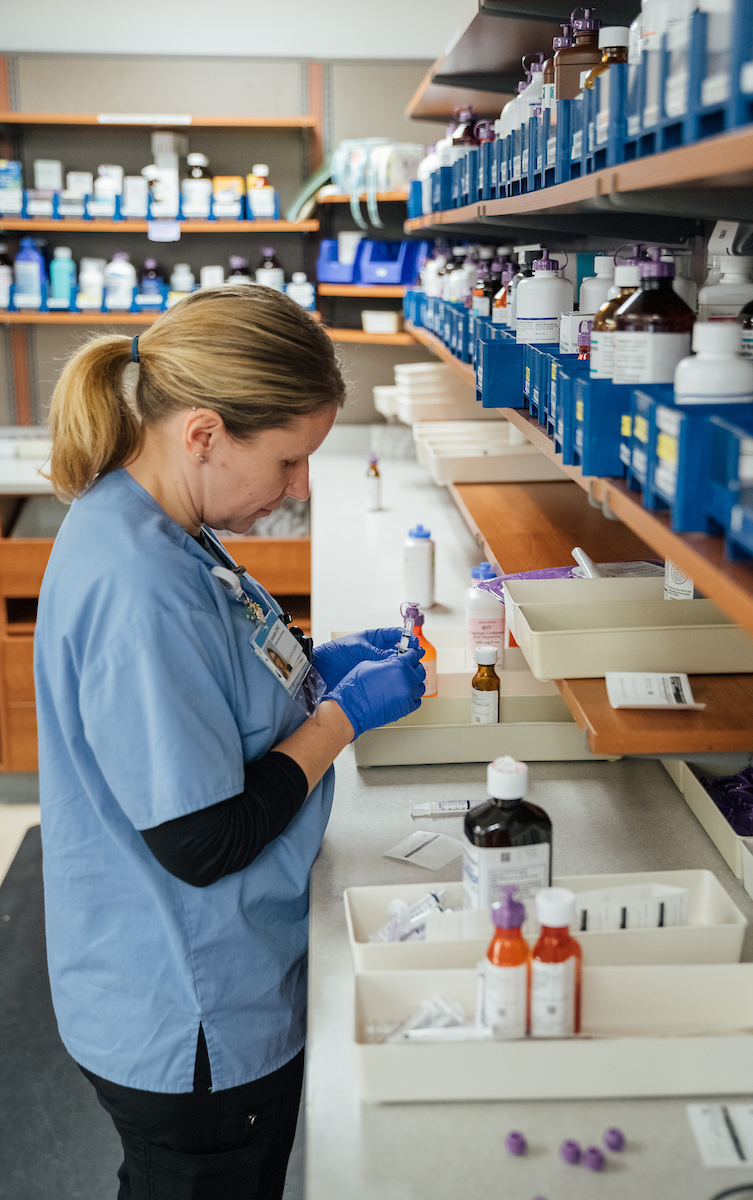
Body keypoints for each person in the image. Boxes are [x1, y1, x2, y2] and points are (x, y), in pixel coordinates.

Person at [34, 284, 426, 1200]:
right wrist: (341, 718)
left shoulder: (166, 525)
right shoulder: (140, 585)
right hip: (191, 1013)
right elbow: (202, 842)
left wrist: (315, 663)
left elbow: (215, 679)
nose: (298, 490)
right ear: (203, 433)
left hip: (187, 977)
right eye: (289, 462)